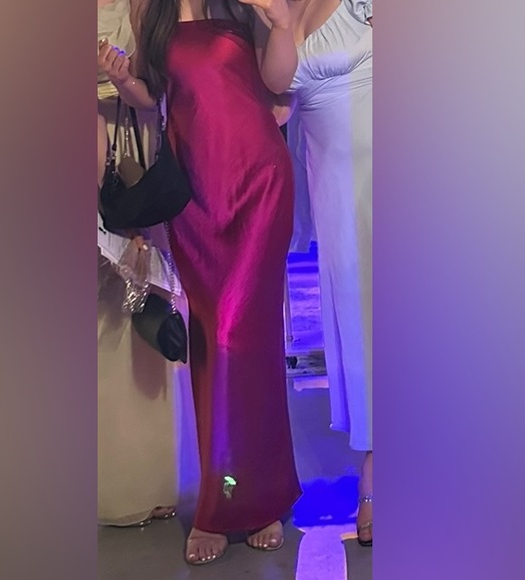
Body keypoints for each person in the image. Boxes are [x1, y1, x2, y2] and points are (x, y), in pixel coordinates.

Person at [98, 0, 302, 565]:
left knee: (243, 337)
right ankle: (238, 490)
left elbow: (277, 80)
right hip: (196, 197)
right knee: (212, 342)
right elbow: (153, 94)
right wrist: (125, 81)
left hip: (258, 182)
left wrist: (282, 24)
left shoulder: (239, 5)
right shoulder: (153, 11)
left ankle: (240, 502)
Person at [97, 0, 197, 529]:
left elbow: (153, 91)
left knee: (139, 305)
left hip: (129, 146)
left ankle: (145, 478)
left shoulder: (142, 5)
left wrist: (122, 80)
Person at [282, 0, 373, 546]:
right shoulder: (271, 9)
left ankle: (377, 480)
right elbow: (275, 97)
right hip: (332, 188)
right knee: (359, 328)